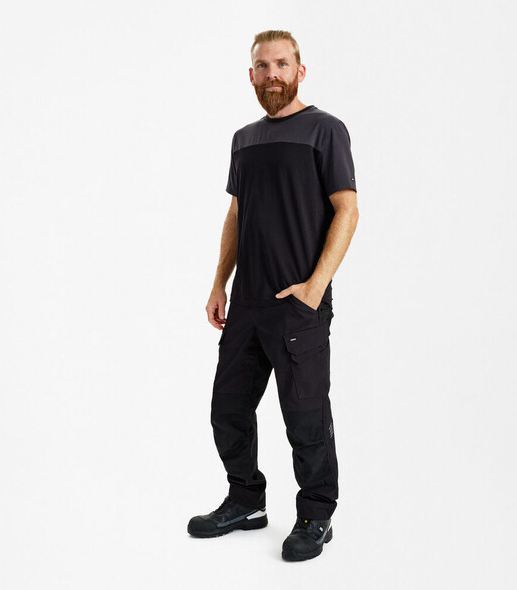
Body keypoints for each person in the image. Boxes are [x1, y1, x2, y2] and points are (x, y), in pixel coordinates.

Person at [187, 29, 359, 562]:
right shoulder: (244, 139)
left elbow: (348, 209)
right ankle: (246, 501)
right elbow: (237, 213)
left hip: (297, 306)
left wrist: (314, 288)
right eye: (262, 66)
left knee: (306, 418)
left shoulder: (326, 130)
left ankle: (316, 514)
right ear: (251, 75)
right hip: (247, 305)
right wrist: (219, 282)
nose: (272, 74)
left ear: (300, 71)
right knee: (228, 409)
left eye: (282, 64)